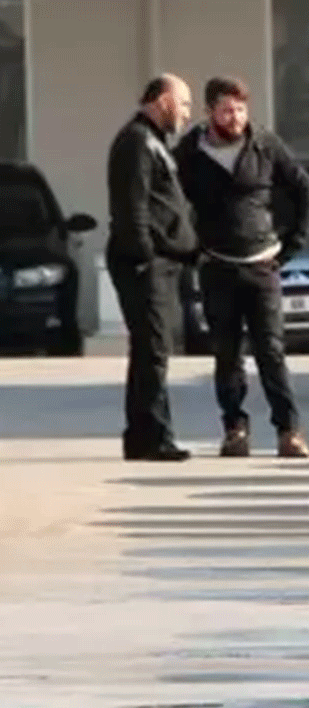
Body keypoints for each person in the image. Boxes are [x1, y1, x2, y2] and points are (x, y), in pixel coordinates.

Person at [173, 76, 309, 458]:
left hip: (262, 266)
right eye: (226, 110)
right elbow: (169, 202)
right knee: (227, 354)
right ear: (209, 112)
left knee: (271, 351)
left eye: (240, 109)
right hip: (217, 266)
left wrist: (291, 246)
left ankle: (289, 431)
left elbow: (306, 190)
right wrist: (188, 249)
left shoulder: (264, 144)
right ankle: (234, 429)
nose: (235, 117)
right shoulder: (190, 151)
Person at [106, 73, 197, 462]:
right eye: (184, 103)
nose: (188, 113)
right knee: (153, 349)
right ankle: (155, 437)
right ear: (163, 101)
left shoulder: (155, 142)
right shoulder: (137, 142)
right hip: (145, 264)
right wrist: (144, 257)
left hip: (163, 262)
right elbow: (133, 206)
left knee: (150, 349)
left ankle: (142, 436)